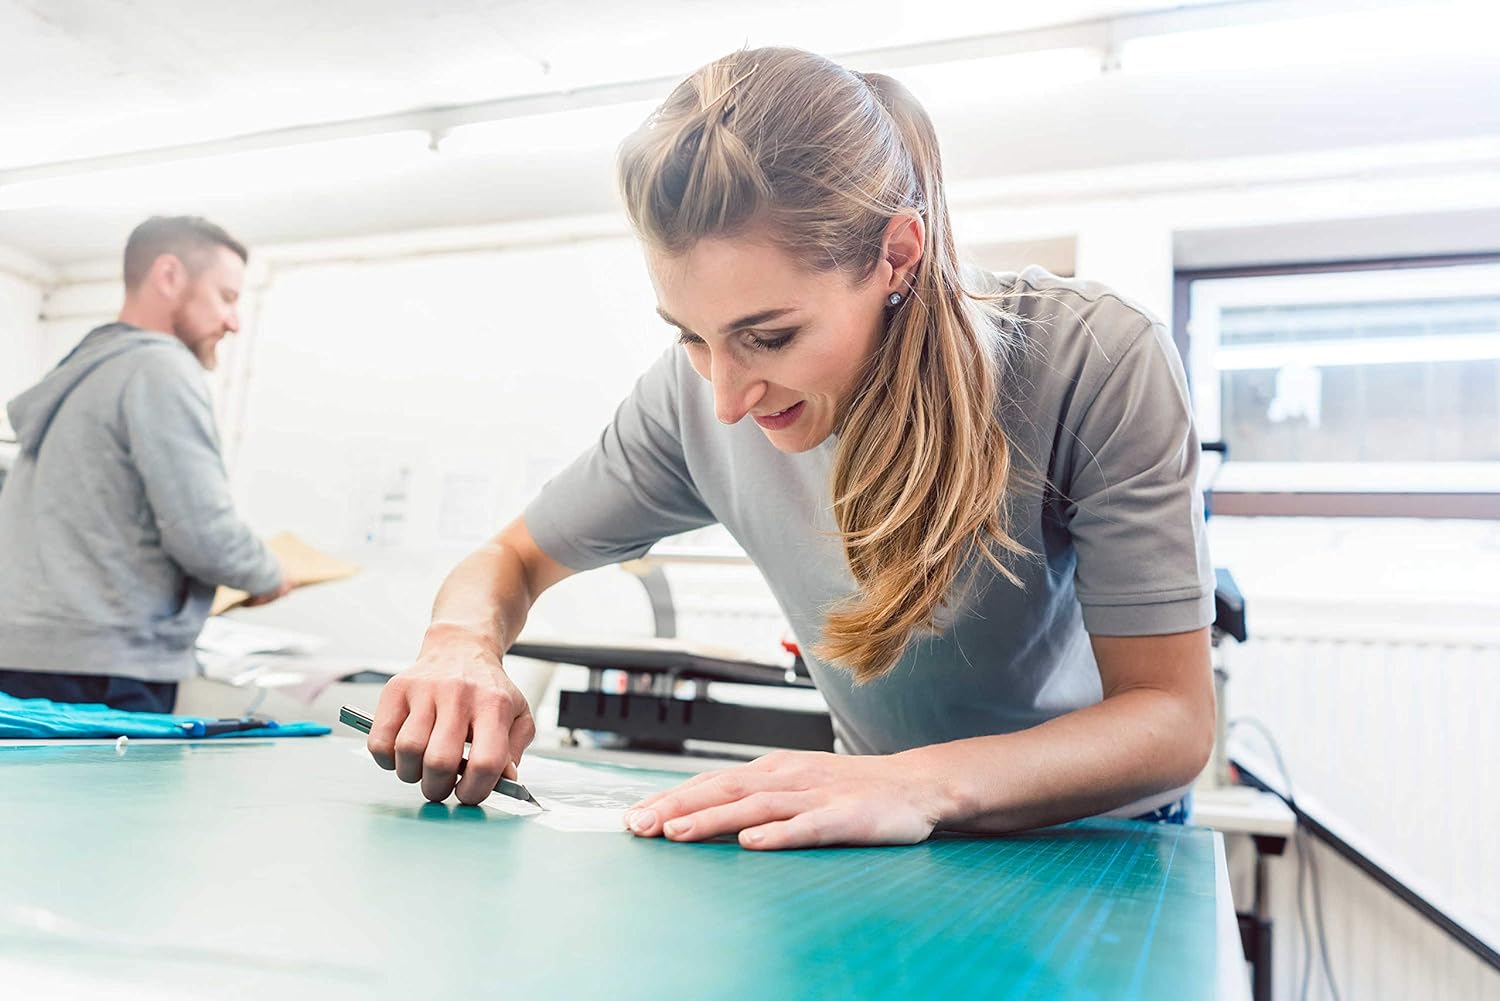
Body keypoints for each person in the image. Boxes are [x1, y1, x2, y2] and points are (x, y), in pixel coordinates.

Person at [366, 47, 1216, 848]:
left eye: (769, 337)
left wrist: (917, 783)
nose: (726, 400)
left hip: (1094, 833)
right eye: (690, 336)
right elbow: (509, 559)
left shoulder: (1098, 358)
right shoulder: (689, 400)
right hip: (882, 820)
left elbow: (1171, 717)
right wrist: (458, 643)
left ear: (897, 257)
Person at [0, 216, 291, 714]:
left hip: (24, 654)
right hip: (104, 670)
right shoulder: (160, 367)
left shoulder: (85, 372)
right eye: (225, 296)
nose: (234, 321)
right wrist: (271, 573)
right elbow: (205, 533)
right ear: (169, 275)